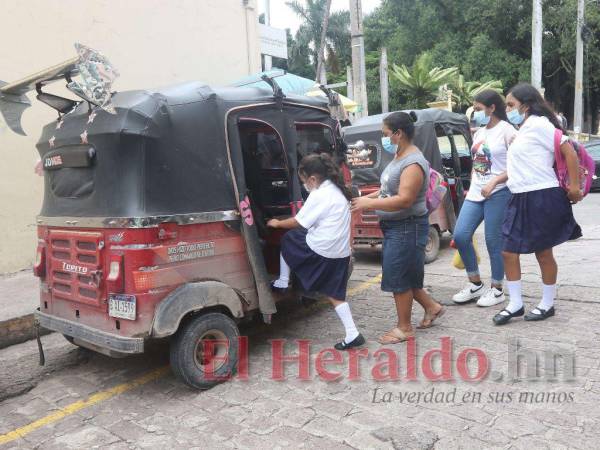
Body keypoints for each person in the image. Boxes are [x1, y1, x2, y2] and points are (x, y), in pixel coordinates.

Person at [351, 112, 444, 344]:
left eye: (385, 134)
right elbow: (388, 189)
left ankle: (405, 328)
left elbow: (404, 199)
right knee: (407, 276)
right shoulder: (399, 157)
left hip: (406, 227)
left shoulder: (412, 162)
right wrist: (362, 198)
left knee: (399, 278)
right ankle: (432, 307)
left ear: (398, 133)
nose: (384, 138)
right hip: (397, 226)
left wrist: (369, 204)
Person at [494, 83, 583, 325]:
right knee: (508, 251)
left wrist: (574, 186)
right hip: (518, 196)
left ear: (526, 104)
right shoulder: (522, 129)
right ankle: (515, 304)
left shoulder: (539, 124)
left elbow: (570, 152)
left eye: (511, 104)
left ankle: (547, 303)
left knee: (543, 253)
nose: (508, 109)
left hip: (541, 195)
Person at [267, 153, 365, 350]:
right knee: (335, 295)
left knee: (289, 239)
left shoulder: (319, 194)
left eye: (304, 181)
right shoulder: (338, 190)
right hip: (340, 253)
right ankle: (353, 334)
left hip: (322, 251)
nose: (305, 185)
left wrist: (276, 223)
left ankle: (283, 281)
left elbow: (297, 222)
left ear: (312, 178)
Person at [452, 90, 517, 307]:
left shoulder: (508, 131)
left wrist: (495, 181)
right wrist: (473, 184)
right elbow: (476, 162)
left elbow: (518, 165)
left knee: (493, 240)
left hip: (499, 192)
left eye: (479, 109)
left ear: (492, 108)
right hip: (476, 192)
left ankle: (497, 289)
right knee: (461, 235)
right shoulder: (479, 133)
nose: (475, 113)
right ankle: (475, 283)